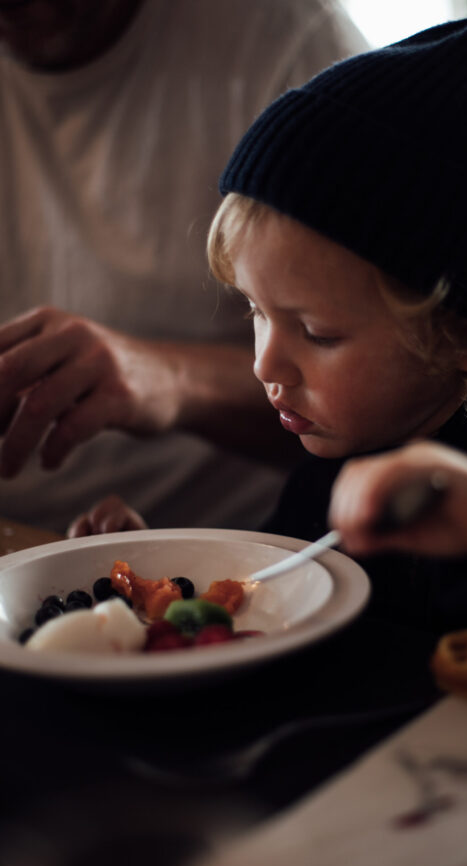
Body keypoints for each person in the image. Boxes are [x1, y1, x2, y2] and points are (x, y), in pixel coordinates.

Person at [74, 16, 467, 680]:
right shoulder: (325, 473)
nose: (265, 365)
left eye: (318, 333)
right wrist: (158, 581)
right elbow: (262, 600)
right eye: (257, 312)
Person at [0, 0, 368, 533]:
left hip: (236, 544)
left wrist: (171, 379)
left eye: (311, 329)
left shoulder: (288, 41)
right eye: (256, 312)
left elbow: (404, 387)